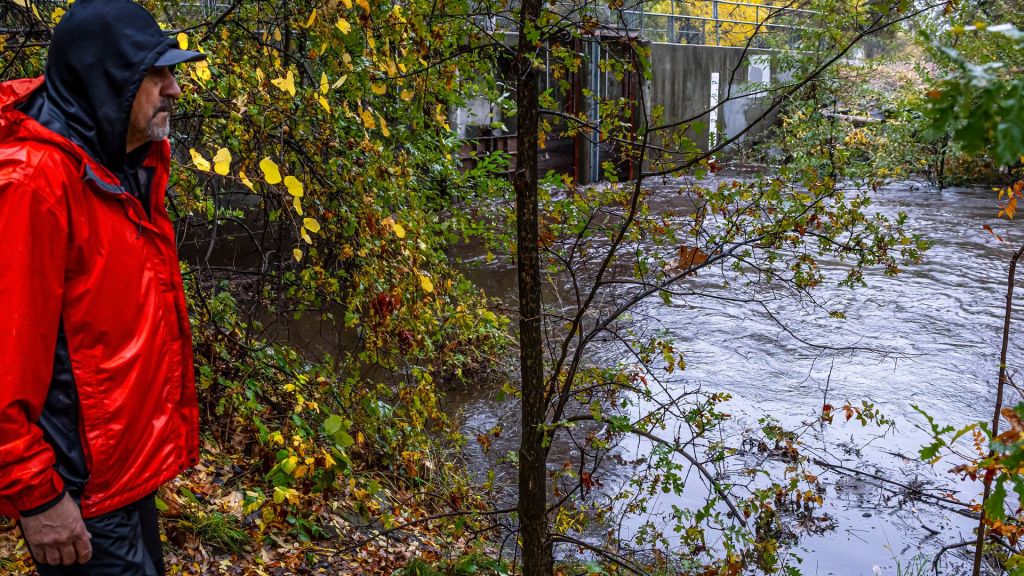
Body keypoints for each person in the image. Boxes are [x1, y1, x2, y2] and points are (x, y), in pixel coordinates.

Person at [0, 1, 204, 574]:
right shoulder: (35, 183)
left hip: (125, 477)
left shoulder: (121, 163)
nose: (174, 89)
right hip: (76, 496)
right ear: (108, 80)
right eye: (157, 74)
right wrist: (36, 496)